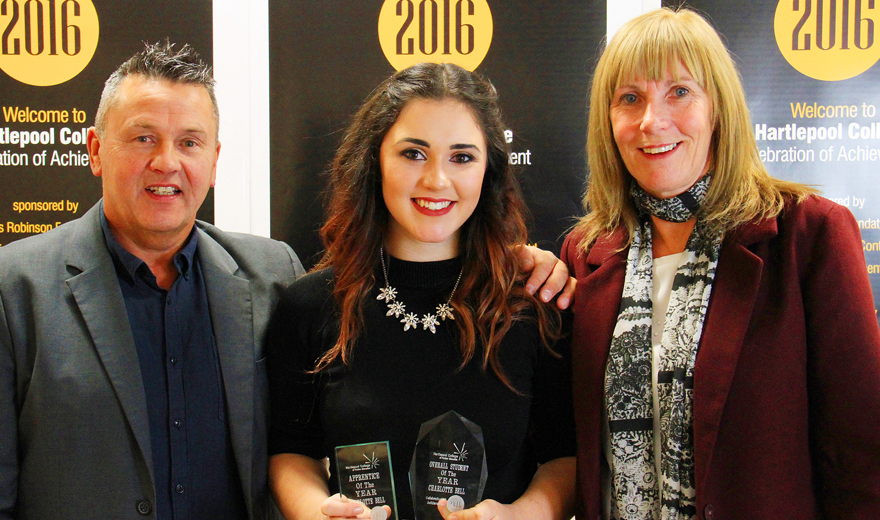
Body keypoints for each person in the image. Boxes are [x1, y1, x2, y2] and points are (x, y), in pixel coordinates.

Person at [0, 43, 573, 520]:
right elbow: (292, 450)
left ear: (216, 157)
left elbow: (564, 452)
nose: (167, 162)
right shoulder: (16, 288)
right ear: (96, 150)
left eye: (190, 142)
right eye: (143, 137)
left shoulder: (267, 275)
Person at [561, 7, 880, 520]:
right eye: (630, 98)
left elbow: (861, 451)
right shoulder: (585, 253)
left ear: (719, 108)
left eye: (679, 92)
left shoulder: (808, 234)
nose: (651, 121)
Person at [267, 62, 577, 520]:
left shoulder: (534, 303)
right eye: (413, 154)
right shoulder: (309, 306)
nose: (436, 180)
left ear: (488, 168)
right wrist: (317, 512)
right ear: (375, 160)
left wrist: (520, 516)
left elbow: (565, 457)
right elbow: (290, 450)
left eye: (462, 156)